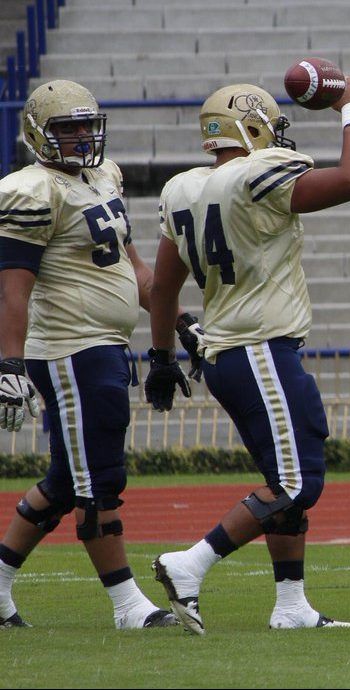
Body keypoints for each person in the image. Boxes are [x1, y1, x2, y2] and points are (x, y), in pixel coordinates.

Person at [145, 80, 350, 634]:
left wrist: (160, 356)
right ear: (252, 126)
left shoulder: (184, 189)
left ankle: (291, 605)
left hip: (228, 354)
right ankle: (189, 564)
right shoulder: (255, 174)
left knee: (281, 476)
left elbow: (163, 290)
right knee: (297, 484)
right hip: (259, 348)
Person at [0, 80, 200, 629]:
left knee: (68, 480)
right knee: (99, 481)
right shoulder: (31, 189)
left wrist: (178, 320)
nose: (82, 136)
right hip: (67, 350)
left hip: (106, 348)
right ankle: (128, 606)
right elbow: (11, 288)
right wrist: (10, 364)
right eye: (67, 128)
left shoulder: (101, 177)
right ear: (39, 133)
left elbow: (134, 269)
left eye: (87, 125)